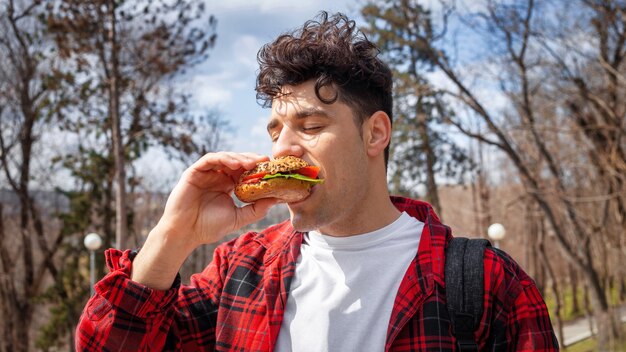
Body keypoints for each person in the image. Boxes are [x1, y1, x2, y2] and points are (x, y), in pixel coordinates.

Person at [75, 12, 558, 351]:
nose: (283, 148)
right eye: (275, 131)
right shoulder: (239, 272)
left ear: (375, 133)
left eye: (310, 127)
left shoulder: (489, 283)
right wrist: (173, 234)